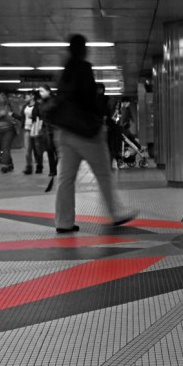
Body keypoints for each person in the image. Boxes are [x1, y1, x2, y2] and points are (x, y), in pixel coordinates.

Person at [53, 34, 137, 233]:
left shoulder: (65, 71)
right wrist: (100, 119)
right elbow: (90, 100)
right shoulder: (83, 68)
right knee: (103, 174)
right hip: (86, 132)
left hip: (65, 132)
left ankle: (63, 222)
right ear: (83, 49)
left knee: (65, 179)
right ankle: (115, 213)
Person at [35, 85, 58, 176]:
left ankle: (55, 168)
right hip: (46, 129)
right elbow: (39, 115)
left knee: (56, 150)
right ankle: (52, 170)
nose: (41, 93)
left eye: (43, 91)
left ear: (48, 91)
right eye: (40, 92)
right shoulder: (42, 103)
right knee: (49, 150)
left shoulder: (54, 101)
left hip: (55, 128)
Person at [20, 90, 41, 174]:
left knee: (37, 149)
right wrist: (13, 115)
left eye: (27, 96)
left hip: (35, 128)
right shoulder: (25, 106)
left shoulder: (38, 106)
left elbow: (41, 116)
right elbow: (22, 117)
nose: (25, 97)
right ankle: (29, 167)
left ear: (32, 96)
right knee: (27, 150)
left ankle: (39, 165)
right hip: (26, 129)